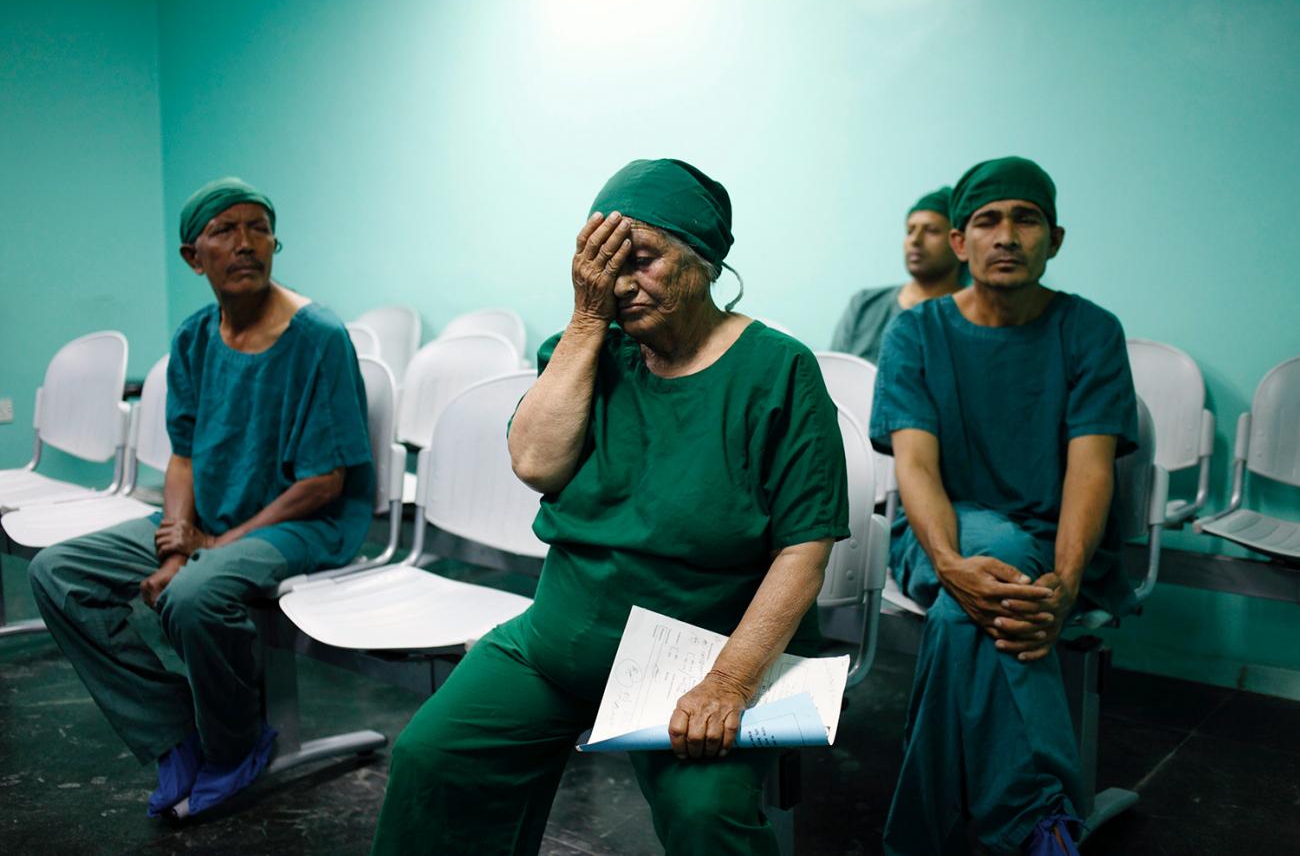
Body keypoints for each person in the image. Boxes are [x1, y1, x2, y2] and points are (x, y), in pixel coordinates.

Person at [370, 159, 849, 856]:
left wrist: (728, 682)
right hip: (556, 642)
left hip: (700, 659)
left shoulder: (777, 371)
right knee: (433, 757)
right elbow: (535, 462)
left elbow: (804, 548)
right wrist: (587, 319)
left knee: (706, 815)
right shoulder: (590, 347)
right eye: (602, 260)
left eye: (642, 258)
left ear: (706, 260)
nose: (618, 280)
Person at [28, 177, 373, 818]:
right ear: (194, 257)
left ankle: (237, 745)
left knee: (192, 596)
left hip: (304, 521)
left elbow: (324, 482)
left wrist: (207, 550)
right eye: (224, 231)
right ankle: (172, 731)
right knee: (58, 573)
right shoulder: (193, 339)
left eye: (257, 228)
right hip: (211, 517)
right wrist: (175, 541)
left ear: (275, 242)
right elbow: (183, 455)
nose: (244, 244)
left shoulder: (318, 335)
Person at [869, 157, 1139, 855]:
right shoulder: (916, 332)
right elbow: (917, 466)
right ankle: (1041, 816)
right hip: (935, 533)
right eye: (987, 220)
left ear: (1056, 238)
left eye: (1027, 219)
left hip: (1055, 541)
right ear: (961, 242)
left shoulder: (1091, 331)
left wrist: (1067, 584)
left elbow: (1090, 472)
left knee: (973, 613)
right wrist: (952, 560)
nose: (1007, 235)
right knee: (994, 559)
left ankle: (920, 833)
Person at [829, 186, 963, 363]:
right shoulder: (865, 304)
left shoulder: (969, 316)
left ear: (959, 242)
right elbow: (833, 374)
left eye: (932, 230)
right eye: (910, 230)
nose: (915, 240)